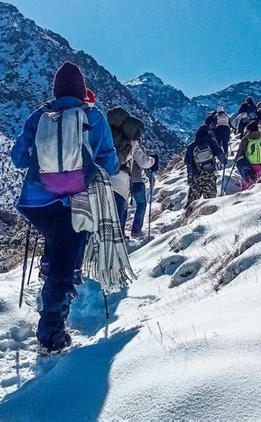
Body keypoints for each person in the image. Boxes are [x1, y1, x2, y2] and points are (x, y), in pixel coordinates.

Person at [11, 61, 119, 353]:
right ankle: (52, 336)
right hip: (77, 200)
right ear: (82, 90)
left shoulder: (39, 116)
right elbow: (109, 163)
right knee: (65, 263)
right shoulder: (93, 116)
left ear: (56, 90)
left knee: (57, 247)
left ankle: (51, 281)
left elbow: (18, 158)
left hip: (36, 203)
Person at [107, 107, 155, 236]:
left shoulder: (103, 135)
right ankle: (123, 237)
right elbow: (144, 162)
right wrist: (153, 161)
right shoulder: (131, 141)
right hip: (122, 182)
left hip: (101, 179)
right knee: (122, 211)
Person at [184, 125, 226, 208]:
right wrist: (224, 161)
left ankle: (188, 215)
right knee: (210, 198)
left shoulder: (191, 145)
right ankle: (209, 214)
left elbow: (186, 161)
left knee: (193, 199)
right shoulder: (211, 141)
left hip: (195, 175)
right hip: (209, 173)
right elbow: (220, 154)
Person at [234, 121, 261, 190]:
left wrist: (235, 160)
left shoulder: (246, 139)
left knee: (240, 163)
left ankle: (246, 184)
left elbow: (240, 152)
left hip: (249, 163)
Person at [130, 150, 158, 238]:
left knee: (122, 206)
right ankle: (136, 229)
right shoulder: (136, 150)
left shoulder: (120, 147)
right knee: (141, 204)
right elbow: (145, 165)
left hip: (124, 181)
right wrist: (151, 179)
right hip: (137, 182)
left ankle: (120, 231)